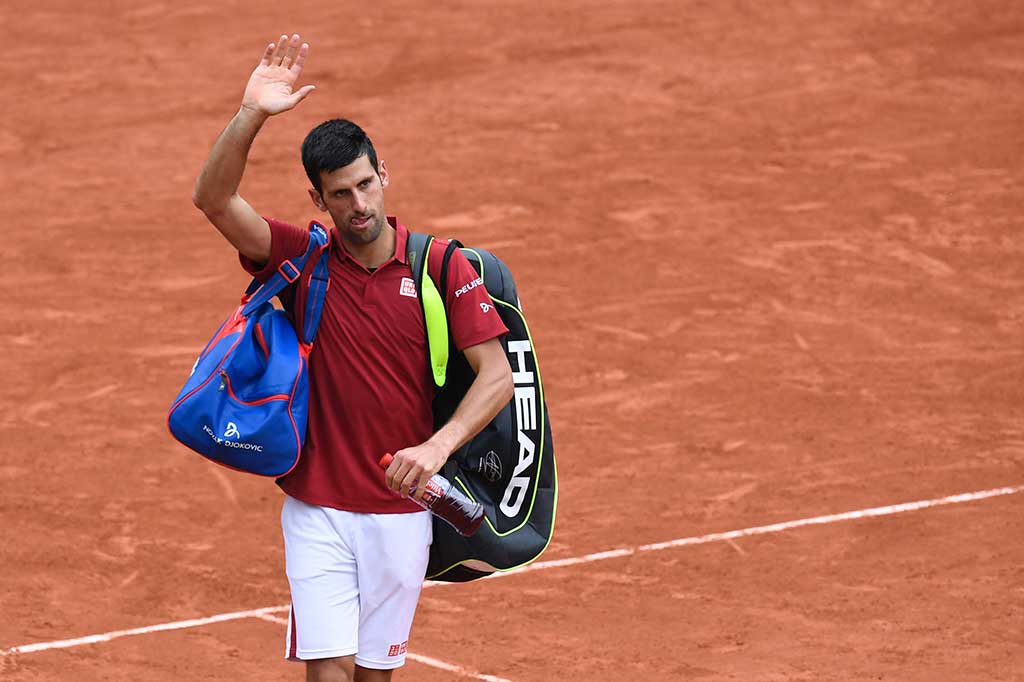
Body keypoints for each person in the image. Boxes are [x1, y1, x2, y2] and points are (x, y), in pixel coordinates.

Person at [191, 34, 514, 682]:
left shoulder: (442, 266)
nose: (360, 205)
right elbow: (214, 201)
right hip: (318, 506)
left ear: (383, 173)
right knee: (329, 670)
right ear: (320, 200)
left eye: (366, 184)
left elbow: (498, 376)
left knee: (375, 675)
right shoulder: (303, 257)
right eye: (341, 194)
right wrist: (251, 114)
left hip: (402, 510)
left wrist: (436, 448)